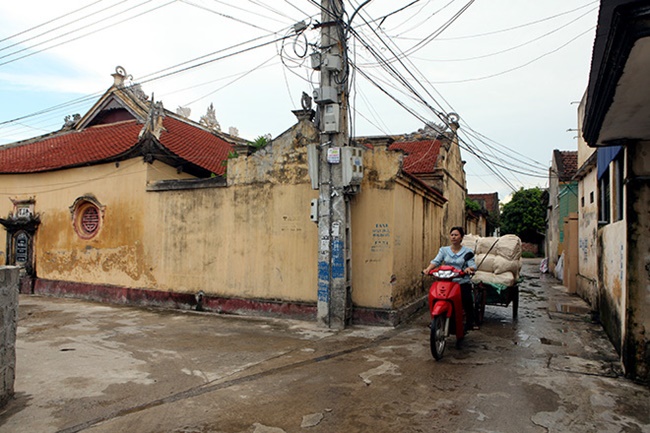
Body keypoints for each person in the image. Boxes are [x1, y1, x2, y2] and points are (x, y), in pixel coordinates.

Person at [423, 226, 478, 331]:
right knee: (435, 296)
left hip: (461, 281)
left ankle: (471, 321)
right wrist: (428, 269)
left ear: (461, 237)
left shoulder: (467, 251)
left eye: (456, 235)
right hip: (446, 281)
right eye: (452, 235)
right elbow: (436, 261)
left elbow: (472, 265)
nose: (453, 237)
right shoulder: (444, 250)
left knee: (467, 300)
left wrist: (468, 269)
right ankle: (435, 319)